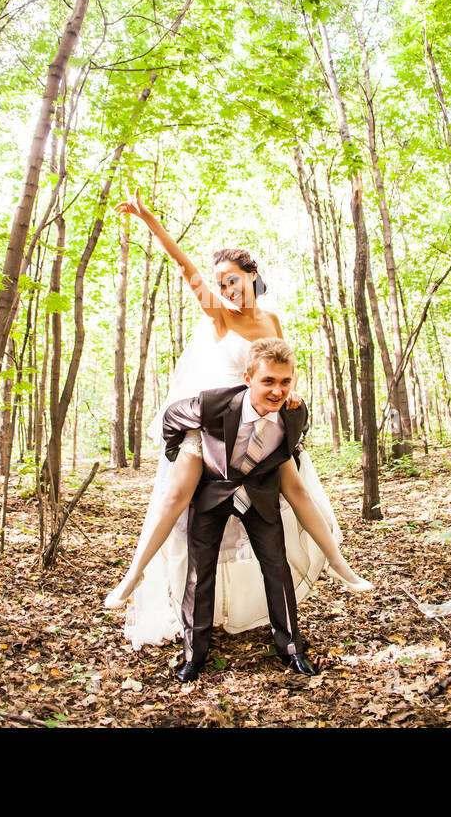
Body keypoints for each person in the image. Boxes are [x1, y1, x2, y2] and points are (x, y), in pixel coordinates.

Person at [105, 187, 371, 648]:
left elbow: (281, 364)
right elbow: (185, 267)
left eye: (233, 279)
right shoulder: (218, 317)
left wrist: (290, 396)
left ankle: (340, 565)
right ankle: (133, 575)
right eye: (220, 282)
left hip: (263, 419)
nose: (227, 289)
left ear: (253, 275)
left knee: (297, 489)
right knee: (176, 496)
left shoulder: (270, 320)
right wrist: (148, 217)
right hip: (215, 419)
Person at [165, 339, 318, 680]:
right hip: (212, 493)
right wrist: (183, 455)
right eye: (268, 381)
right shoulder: (212, 403)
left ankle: (291, 648)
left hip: (259, 495)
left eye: (284, 382)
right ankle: (194, 655)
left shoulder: (296, 410)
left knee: (277, 569)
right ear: (248, 378)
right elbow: (171, 418)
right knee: (199, 574)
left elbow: (292, 441)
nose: (278, 390)